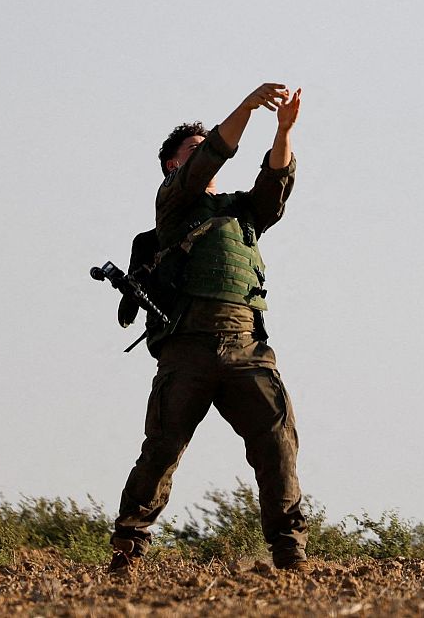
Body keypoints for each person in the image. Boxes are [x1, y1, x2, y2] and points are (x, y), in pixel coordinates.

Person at [109, 82, 309, 574]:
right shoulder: (172, 204)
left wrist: (282, 132)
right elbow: (211, 159)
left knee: (278, 446)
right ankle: (127, 551)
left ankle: (290, 556)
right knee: (160, 452)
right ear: (174, 166)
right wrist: (244, 108)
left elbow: (275, 184)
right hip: (188, 350)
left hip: (247, 347)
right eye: (194, 150)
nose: (207, 154)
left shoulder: (242, 212)